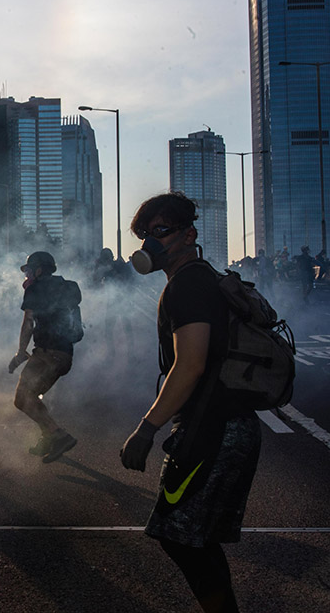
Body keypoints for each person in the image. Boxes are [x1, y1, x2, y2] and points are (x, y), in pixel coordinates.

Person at [120, 192, 261, 613]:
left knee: (177, 536)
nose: (150, 243)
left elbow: (191, 364)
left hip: (213, 430)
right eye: (145, 234)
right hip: (220, 425)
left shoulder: (189, 284)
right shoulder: (195, 278)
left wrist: (146, 429)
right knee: (194, 540)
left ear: (188, 235)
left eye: (160, 232)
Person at [8, 251, 81, 463]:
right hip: (62, 354)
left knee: (23, 398)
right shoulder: (66, 287)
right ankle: (49, 437)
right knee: (29, 397)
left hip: (47, 354)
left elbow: (29, 321)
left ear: (40, 270)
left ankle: (58, 436)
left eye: (30, 270)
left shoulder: (36, 289)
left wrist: (21, 352)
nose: (27, 275)